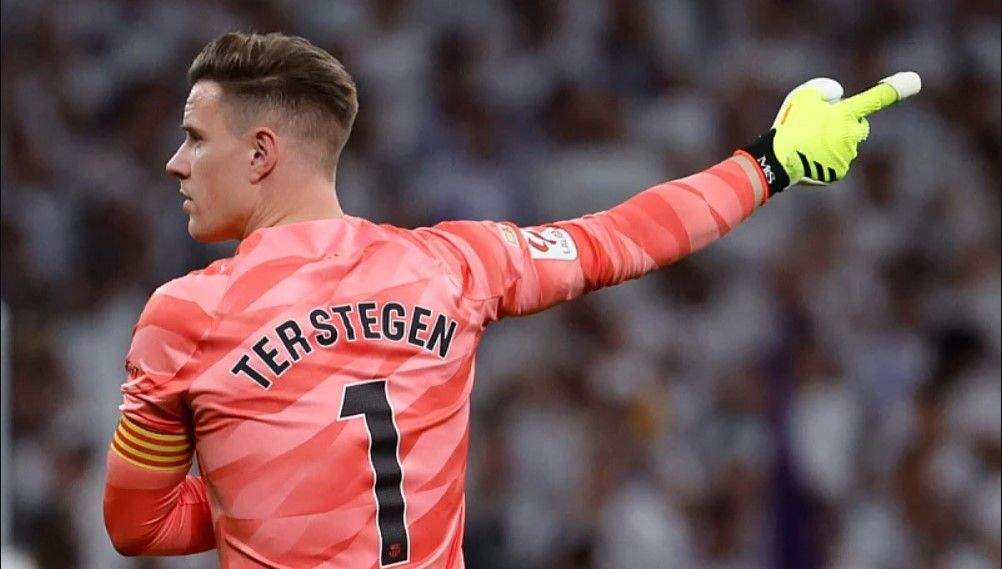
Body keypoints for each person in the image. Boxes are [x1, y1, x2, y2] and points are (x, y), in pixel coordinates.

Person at [101, 31, 919, 568]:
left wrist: (265, 480)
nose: (176, 162)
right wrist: (770, 162)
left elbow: (138, 524)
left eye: (195, 137)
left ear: (261, 153)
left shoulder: (186, 316)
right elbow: (620, 237)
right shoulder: (454, 266)